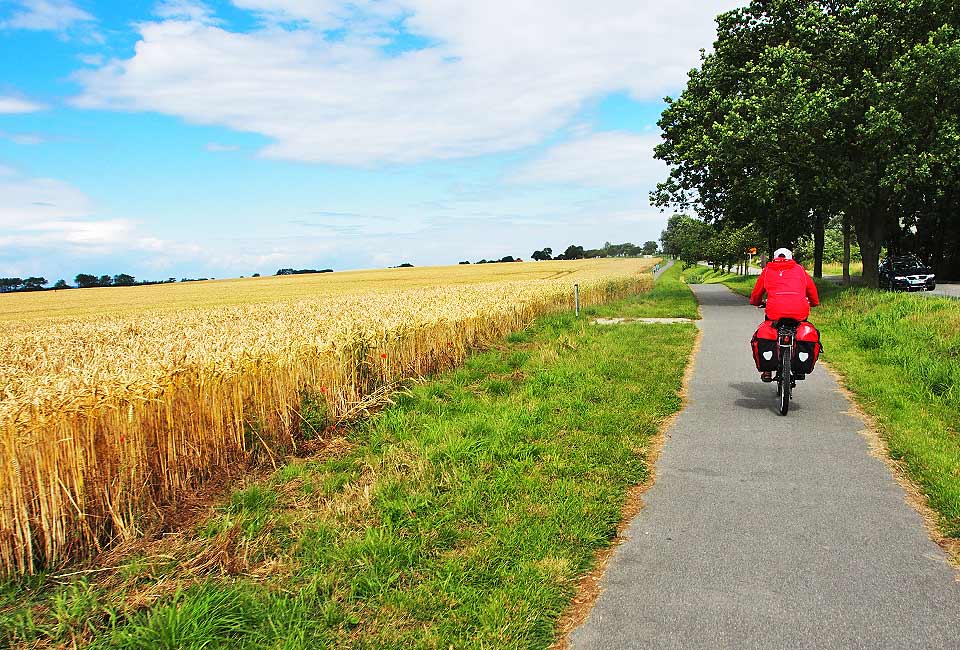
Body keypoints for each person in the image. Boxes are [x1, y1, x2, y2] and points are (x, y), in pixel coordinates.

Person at [749, 248, 820, 381]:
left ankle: (767, 371)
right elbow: (811, 289)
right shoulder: (800, 270)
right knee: (800, 329)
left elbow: (757, 293)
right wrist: (814, 302)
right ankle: (799, 367)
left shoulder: (767, 270)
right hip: (799, 311)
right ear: (791, 257)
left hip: (775, 312)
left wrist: (756, 302)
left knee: (769, 330)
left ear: (775, 258)